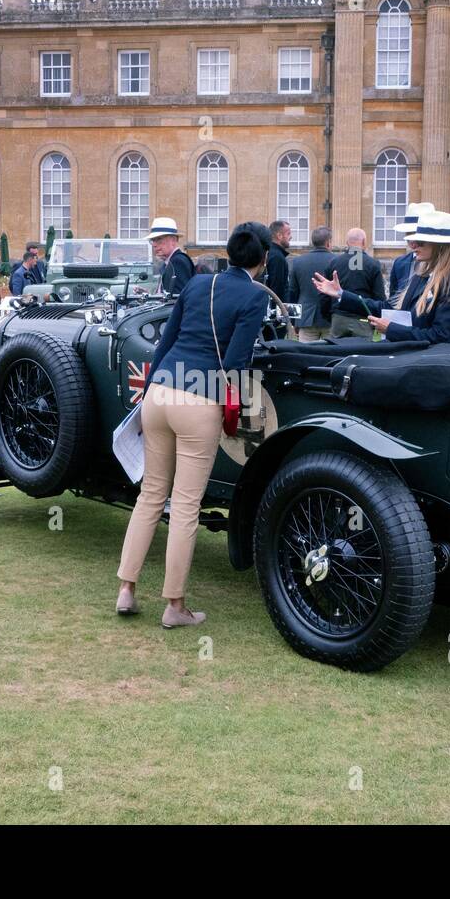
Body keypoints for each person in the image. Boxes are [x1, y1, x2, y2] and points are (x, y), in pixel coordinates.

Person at [116, 221, 270, 628]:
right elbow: (237, 364)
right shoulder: (254, 297)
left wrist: (149, 392)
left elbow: (165, 343)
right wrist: (237, 408)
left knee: (151, 496)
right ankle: (174, 605)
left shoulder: (198, 284)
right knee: (184, 506)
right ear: (263, 260)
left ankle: (127, 590)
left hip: (160, 392)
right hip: (199, 399)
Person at [314, 210, 450, 345]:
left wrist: (391, 329)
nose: (412, 245)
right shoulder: (420, 275)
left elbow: (441, 336)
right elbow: (389, 308)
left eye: (420, 242)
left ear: (439, 247)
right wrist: (341, 294)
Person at [326, 228, 386, 339]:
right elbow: (379, 296)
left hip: (339, 317)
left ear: (347, 243)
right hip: (363, 318)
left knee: (337, 353)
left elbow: (325, 293)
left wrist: (329, 315)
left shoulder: (334, 262)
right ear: (364, 242)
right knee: (362, 353)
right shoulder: (373, 264)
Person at [289, 226, 337, 341]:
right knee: (331, 356)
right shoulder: (337, 260)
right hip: (331, 318)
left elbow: (293, 293)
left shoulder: (297, 262)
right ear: (328, 243)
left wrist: (293, 320)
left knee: (306, 356)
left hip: (306, 317)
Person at [389, 202, 433, 298]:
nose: (412, 242)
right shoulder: (399, 263)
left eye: (416, 235)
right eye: (409, 234)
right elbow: (392, 303)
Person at [147, 217, 194, 295]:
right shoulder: (168, 263)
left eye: (159, 239)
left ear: (173, 240)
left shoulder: (178, 261)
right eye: (153, 240)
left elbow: (178, 297)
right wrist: (149, 296)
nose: (154, 244)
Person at [264, 219, 291, 301]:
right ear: (279, 236)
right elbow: (277, 290)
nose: (291, 237)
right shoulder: (277, 257)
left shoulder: (268, 252)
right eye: (288, 233)